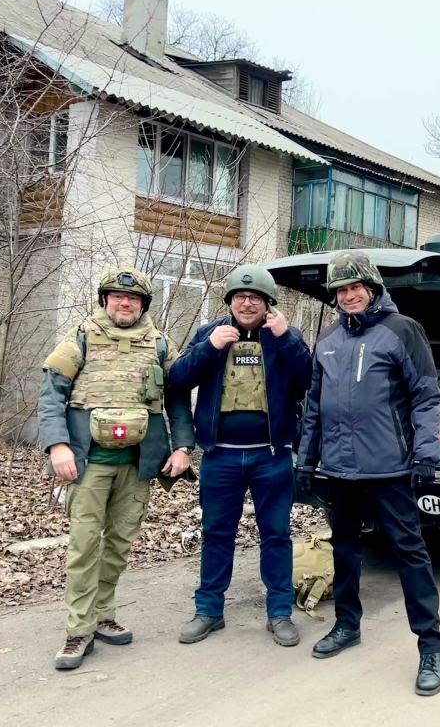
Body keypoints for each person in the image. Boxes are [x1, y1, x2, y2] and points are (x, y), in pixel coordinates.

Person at [296, 250, 440, 696]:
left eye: (355, 287)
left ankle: (430, 647)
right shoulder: (327, 340)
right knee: (345, 549)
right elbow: (314, 408)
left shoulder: (402, 330)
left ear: (372, 288)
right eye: (340, 290)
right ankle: (347, 624)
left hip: (390, 469)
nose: (348, 296)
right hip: (340, 471)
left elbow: (426, 396)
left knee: (409, 554)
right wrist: (306, 461)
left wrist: (426, 454)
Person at [38, 266, 195, 671]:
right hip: (88, 462)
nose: (125, 303)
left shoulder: (160, 343)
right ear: (105, 300)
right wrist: (57, 445)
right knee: (84, 546)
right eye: (118, 297)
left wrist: (182, 448)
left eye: (134, 299)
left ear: (143, 304)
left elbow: (177, 397)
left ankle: (103, 613)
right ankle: (79, 629)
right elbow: (52, 393)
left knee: (120, 544)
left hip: (138, 463)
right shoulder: (81, 336)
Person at [168, 265, 311, 647]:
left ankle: (279, 613)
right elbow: (177, 380)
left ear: (268, 302)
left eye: (255, 298)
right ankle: (209, 611)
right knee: (216, 534)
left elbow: (309, 381)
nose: (247, 303)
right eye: (240, 297)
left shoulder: (285, 335)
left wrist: (286, 340)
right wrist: (210, 347)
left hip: (272, 457)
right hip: (221, 457)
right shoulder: (209, 334)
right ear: (230, 301)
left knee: (276, 535)